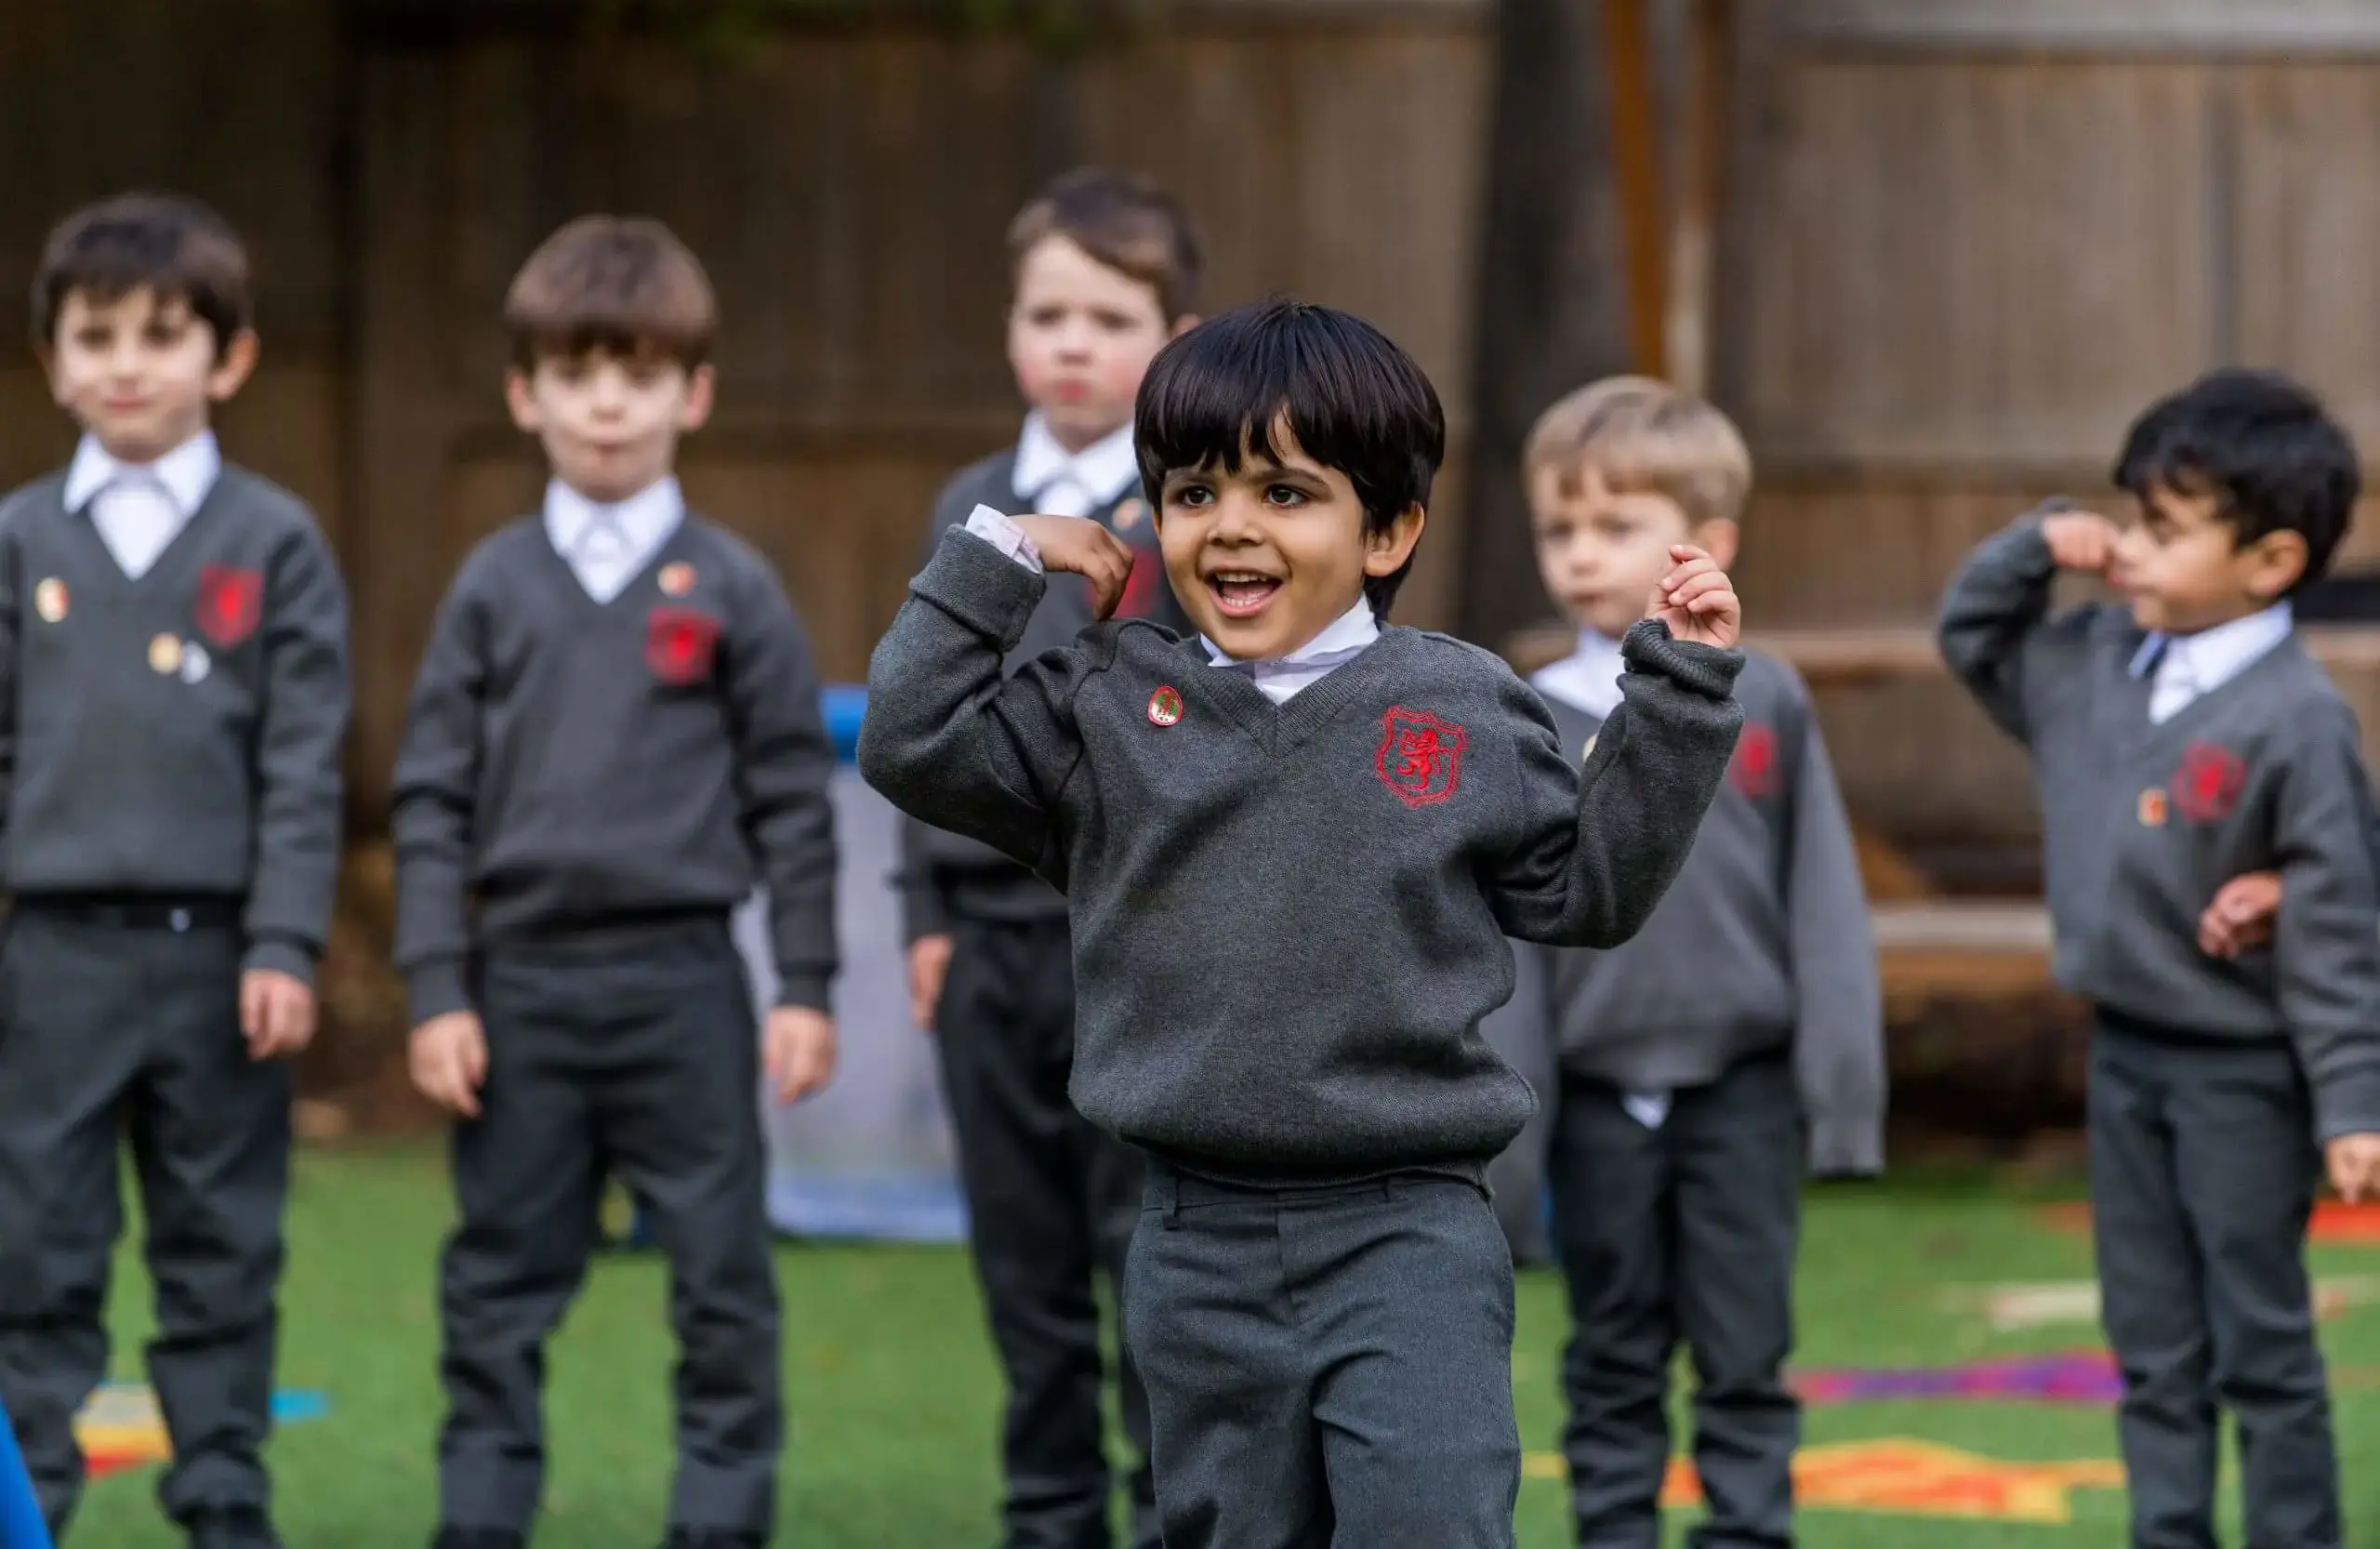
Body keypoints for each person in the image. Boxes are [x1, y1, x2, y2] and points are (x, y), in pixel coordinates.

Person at [860, 297, 1748, 1549]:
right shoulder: (1105, 712)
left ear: (1388, 527)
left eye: (1285, 494)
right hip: (1190, 1236)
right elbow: (911, 738)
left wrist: (1682, 694)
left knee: (1432, 1526)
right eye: (1193, 492)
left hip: (1410, 1229)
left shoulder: (1460, 703)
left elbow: (1590, 889)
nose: (1231, 526)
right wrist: (998, 553)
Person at [392, 216, 840, 1549]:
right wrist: (432, 986)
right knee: (495, 1290)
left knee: (722, 1290)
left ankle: (719, 1526)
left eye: (637, 372)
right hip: (517, 988)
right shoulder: (491, 589)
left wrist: (806, 983)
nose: (606, 401)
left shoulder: (737, 587)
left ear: (690, 393)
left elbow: (789, 801)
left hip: (686, 989)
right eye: (576, 372)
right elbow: (431, 798)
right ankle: (479, 1523)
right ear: (523, 393)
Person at [1937, 366, 2380, 1549]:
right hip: (2121, 1060)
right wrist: (2039, 544)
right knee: (2150, 1342)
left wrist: (2350, 1102)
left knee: (2259, 1340)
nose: (2129, 549)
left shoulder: (2297, 719)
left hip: (2244, 1075)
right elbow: (1969, 632)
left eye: (2164, 531)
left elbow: (2342, 915)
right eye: (2129, 517)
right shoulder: (2085, 665)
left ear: (2272, 563)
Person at [0, 192, 351, 1549]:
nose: (126, 362)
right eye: (95, 335)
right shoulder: (21, 541)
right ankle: (28, 1510)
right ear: (53, 359)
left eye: (161, 333)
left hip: (221, 964)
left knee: (219, 1253)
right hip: (54, 961)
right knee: (37, 1255)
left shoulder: (277, 545)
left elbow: (304, 763)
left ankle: (223, 1507)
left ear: (231, 359)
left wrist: (283, 943)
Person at [1514, 377, 1883, 1549]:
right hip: (1595, 1102)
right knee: (1610, 1356)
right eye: (1559, 527)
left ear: (1706, 545)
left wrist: (1842, 1097)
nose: (1579, 555)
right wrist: (1509, 1149)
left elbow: (1820, 897)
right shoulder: (1517, 715)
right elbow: (1510, 949)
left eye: (1615, 526)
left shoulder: (1764, 697)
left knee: (1743, 1356)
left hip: (1741, 1090)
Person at [897, 166, 1198, 1549]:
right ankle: (1047, 1519)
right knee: (1021, 1272)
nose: (1074, 342)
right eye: (1048, 312)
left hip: (1137, 941)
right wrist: (922, 910)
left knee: (1144, 1256)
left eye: (1110, 314)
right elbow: (919, 708)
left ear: (1173, 336)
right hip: (989, 945)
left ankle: (1170, 1513)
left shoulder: (1195, 511)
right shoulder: (977, 502)